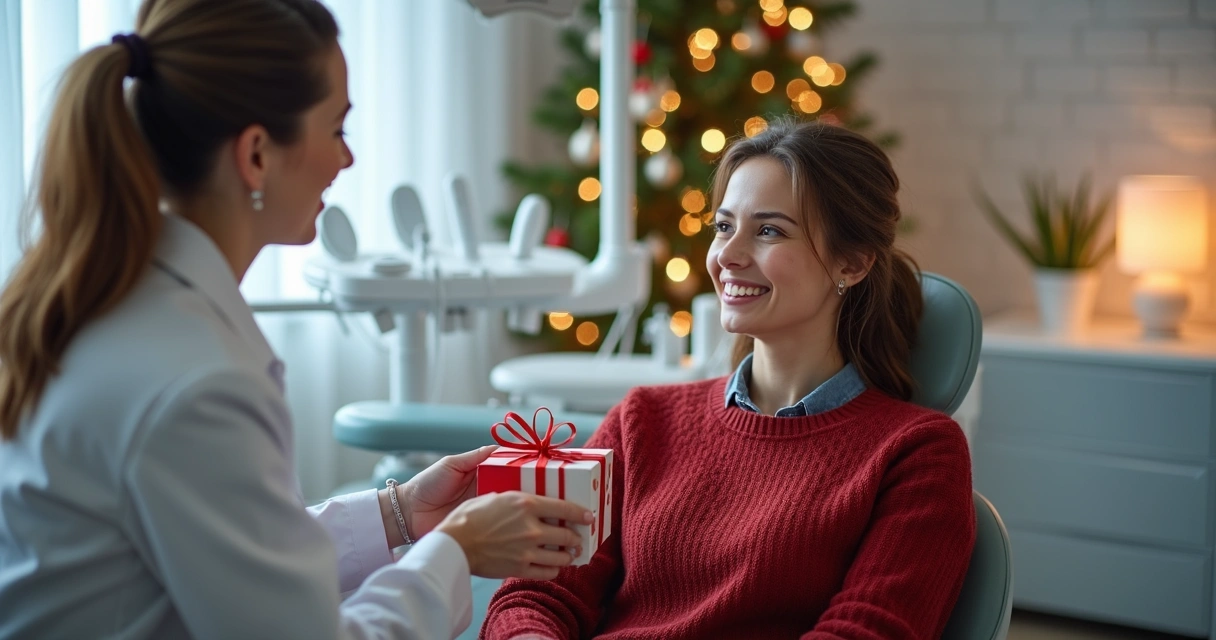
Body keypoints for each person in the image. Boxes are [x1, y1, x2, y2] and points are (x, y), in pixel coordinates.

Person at [0, 1, 593, 638]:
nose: (348, 161)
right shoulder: (196, 382)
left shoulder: (118, 301)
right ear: (256, 154)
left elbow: (230, 555)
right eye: (337, 129)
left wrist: (399, 515)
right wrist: (455, 551)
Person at [481, 118, 977, 639]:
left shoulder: (917, 453)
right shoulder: (642, 419)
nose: (727, 257)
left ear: (850, 263)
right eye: (723, 227)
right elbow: (539, 591)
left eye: (768, 231)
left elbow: (867, 632)